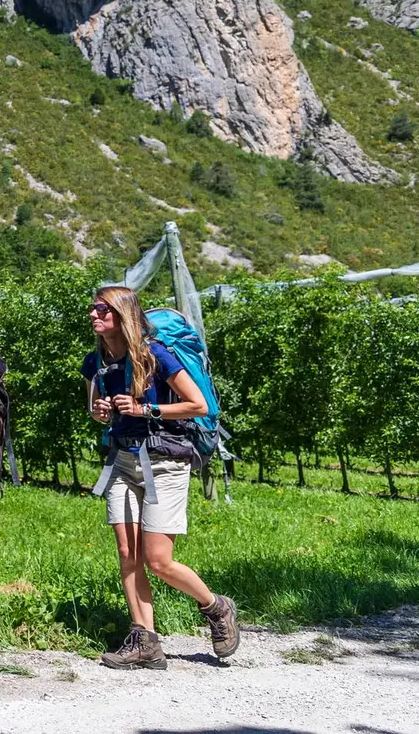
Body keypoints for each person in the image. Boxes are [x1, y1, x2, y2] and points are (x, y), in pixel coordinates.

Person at [85, 285, 240, 668]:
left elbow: (198, 405)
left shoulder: (155, 355)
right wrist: (101, 411)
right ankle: (145, 641)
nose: (93, 315)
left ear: (122, 313)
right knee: (128, 555)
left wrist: (145, 409)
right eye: (93, 308)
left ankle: (216, 607)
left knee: (158, 560)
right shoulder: (96, 361)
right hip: (122, 460)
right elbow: (94, 410)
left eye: (102, 309)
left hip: (165, 461)